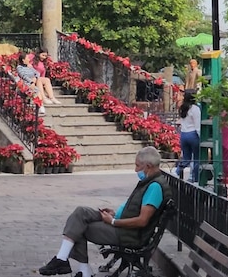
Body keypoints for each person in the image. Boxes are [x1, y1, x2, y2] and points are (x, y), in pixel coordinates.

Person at [38, 146, 171, 277]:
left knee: (78, 227)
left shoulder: (154, 187)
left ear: (148, 166)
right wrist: (114, 214)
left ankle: (76, 267)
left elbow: (142, 221)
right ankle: (67, 262)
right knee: (81, 213)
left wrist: (113, 221)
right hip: (123, 227)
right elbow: (136, 210)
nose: (135, 170)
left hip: (128, 235)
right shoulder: (150, 182)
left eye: (137, 166)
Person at [176, 92, 201, 183]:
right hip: (193, 134)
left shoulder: (183, 108)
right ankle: (195, 178)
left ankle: (177, 172)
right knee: (197, 158)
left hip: (184, 134)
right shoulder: (195, 109)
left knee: (186, 158)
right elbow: (197, 125)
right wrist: (200, 137)